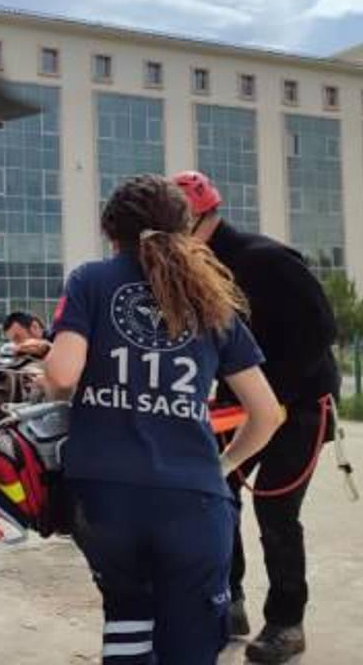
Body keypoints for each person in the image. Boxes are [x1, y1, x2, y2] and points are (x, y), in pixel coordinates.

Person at [42, 174, 284, 664]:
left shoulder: (90, 280)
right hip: (190, 499)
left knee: (128, 619)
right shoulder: (212, 299)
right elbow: (266, 414)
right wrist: (220, 466)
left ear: (111, 231)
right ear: (186, 229)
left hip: (105, 497)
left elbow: (63, 376)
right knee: (189, 643)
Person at [173, 170, 341, 663]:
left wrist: (272, 398)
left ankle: (287, 622)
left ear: (198, 218)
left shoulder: (265, 260)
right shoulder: (199, 269)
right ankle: (231, 602)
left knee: (276, 512)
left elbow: (321, 329)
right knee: (217, 496)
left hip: (302, 407)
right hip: (237, 407)